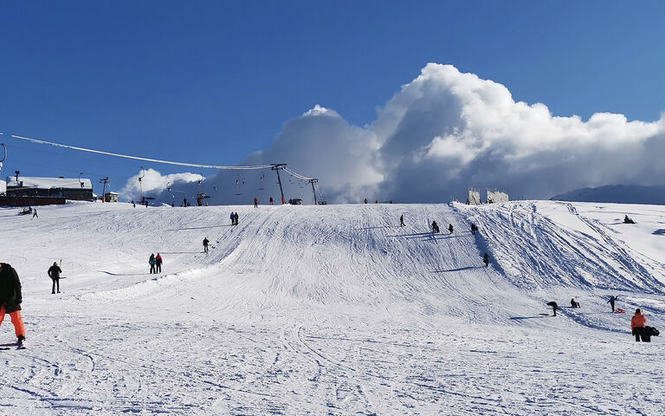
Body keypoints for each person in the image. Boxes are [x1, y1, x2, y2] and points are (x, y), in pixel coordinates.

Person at [0, 262, 26, 346]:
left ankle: (21, 336)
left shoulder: (10, 271)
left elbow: (17, 284)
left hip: (11, 299)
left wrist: (19, 297)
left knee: (16, 319)